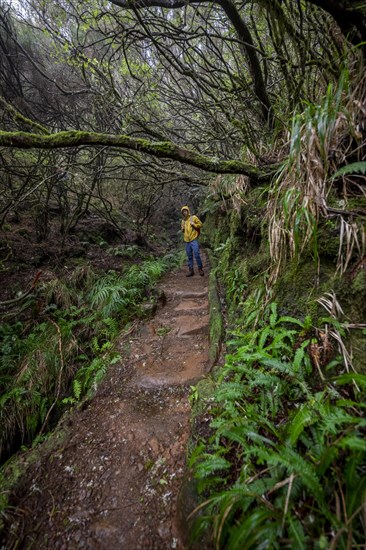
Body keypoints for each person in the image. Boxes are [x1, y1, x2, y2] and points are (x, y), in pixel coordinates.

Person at [181, 205, 204, 277]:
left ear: (188, 211)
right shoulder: (183, 221)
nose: (185, 212)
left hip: (193, 239)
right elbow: (183, 230)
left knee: (196, 254)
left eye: (186, 211)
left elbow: (200, 224)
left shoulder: (193, 218)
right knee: (189, 256)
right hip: (187, 241)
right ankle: (191, 270)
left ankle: (200, 269)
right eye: (183, 212)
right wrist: (182, 229)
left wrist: (193, 224)